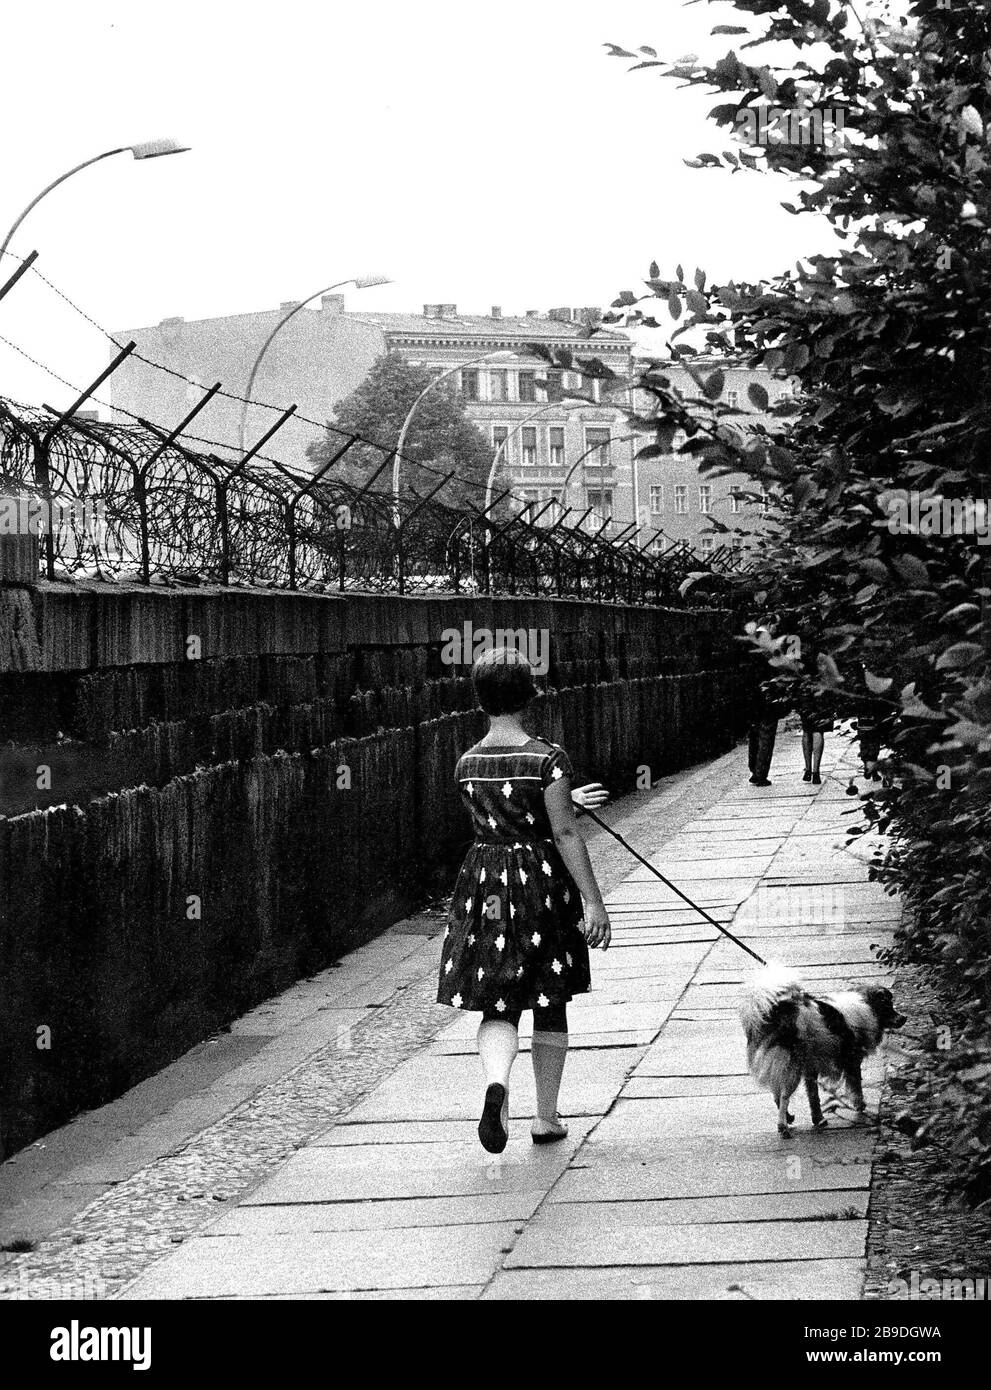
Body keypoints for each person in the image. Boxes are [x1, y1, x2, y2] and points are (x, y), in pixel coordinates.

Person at [437, 646, 611, 1153]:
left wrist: (559, 798)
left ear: (479, 701)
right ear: (529, 696)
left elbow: (501, 811)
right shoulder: (548, 759)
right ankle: (545, 1117)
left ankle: (497, 1084)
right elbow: (564, 833)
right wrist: (594, 903)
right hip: (540, 888)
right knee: (548, 998)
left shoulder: (467, 762)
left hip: (485, 888)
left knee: (498, 998)